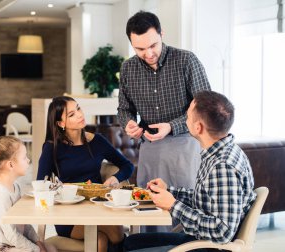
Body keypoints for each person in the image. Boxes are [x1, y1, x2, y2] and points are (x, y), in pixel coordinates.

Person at [124, 90, 257, 251]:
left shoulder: (223, 166)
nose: (185, 120)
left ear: (198, 127)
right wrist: (170, 192)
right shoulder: (219, 151)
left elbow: (222, 232)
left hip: (210, 247)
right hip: (202, 239)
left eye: (187, 117)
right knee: (130, 242)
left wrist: (173, 205)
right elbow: (207, 200)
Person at [118, 11, 211, 192]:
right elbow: (124, 108)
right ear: (132, 44)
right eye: (140, 49)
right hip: (150, 148)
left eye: (153, 45)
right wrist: (128, 123)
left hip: (185, 145)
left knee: (182, 207)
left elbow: (205, 106)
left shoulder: (186, 60)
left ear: (162, 34)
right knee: (148, 205)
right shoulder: (127, 68)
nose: (149, 53)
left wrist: (171, 126)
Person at [37, 96, 134, 252]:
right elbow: (40, 184)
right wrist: (60, 189)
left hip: (97, 206)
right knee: (116, 232)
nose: (80, 115)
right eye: (71, 114)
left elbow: (127, 165)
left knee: (101, 240)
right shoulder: (52, 147)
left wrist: (115, 177)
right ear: (60, 123)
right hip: (69, 214)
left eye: (78, 108)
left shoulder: (98, 141)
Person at [0, 132, 56, 252]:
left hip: (11, 243)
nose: (28, 160)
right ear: (11, 165)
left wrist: (38, 241)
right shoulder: (1, 194)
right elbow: (11, 235)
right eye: (24, 157)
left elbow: (24, 223)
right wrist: (36, 249)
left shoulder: (16, 186)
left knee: (51, 248)